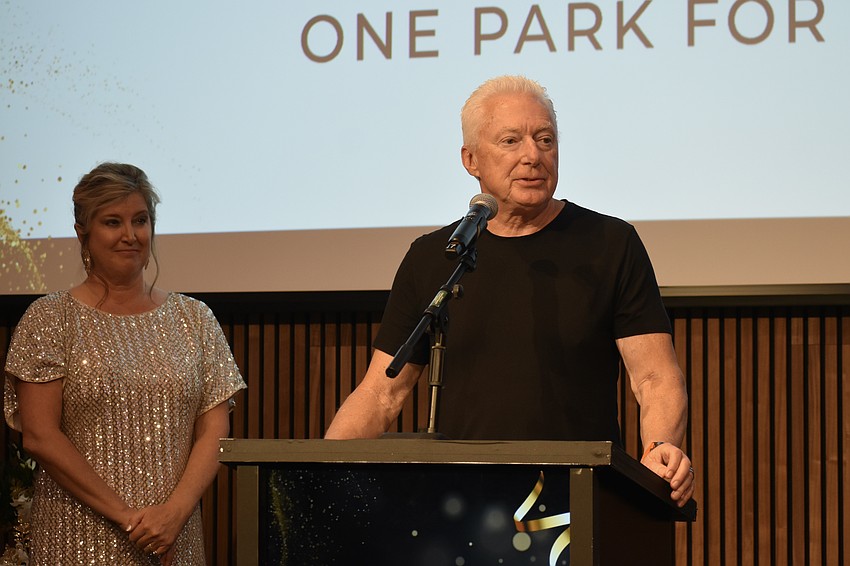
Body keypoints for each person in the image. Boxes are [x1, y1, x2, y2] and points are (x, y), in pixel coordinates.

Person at [325, 75, 694, 507]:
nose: (532, 156)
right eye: (510, 141)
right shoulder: (435, 259)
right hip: (461, 505)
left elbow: (655, 377)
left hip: (577, 499)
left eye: (545, 139)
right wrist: (323, 472)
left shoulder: (611, 245)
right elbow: (381, 393)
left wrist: (659, 453)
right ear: (470, 159)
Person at [3, 163, 247, 564]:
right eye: (112, 222)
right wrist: (132, 522)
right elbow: (40, 436)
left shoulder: (195, 319)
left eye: (141, 220)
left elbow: (214, 432)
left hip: (174, 537)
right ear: (83, 231)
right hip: (77, 538)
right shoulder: (49, 318)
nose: (130, 235)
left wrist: (172, 516)